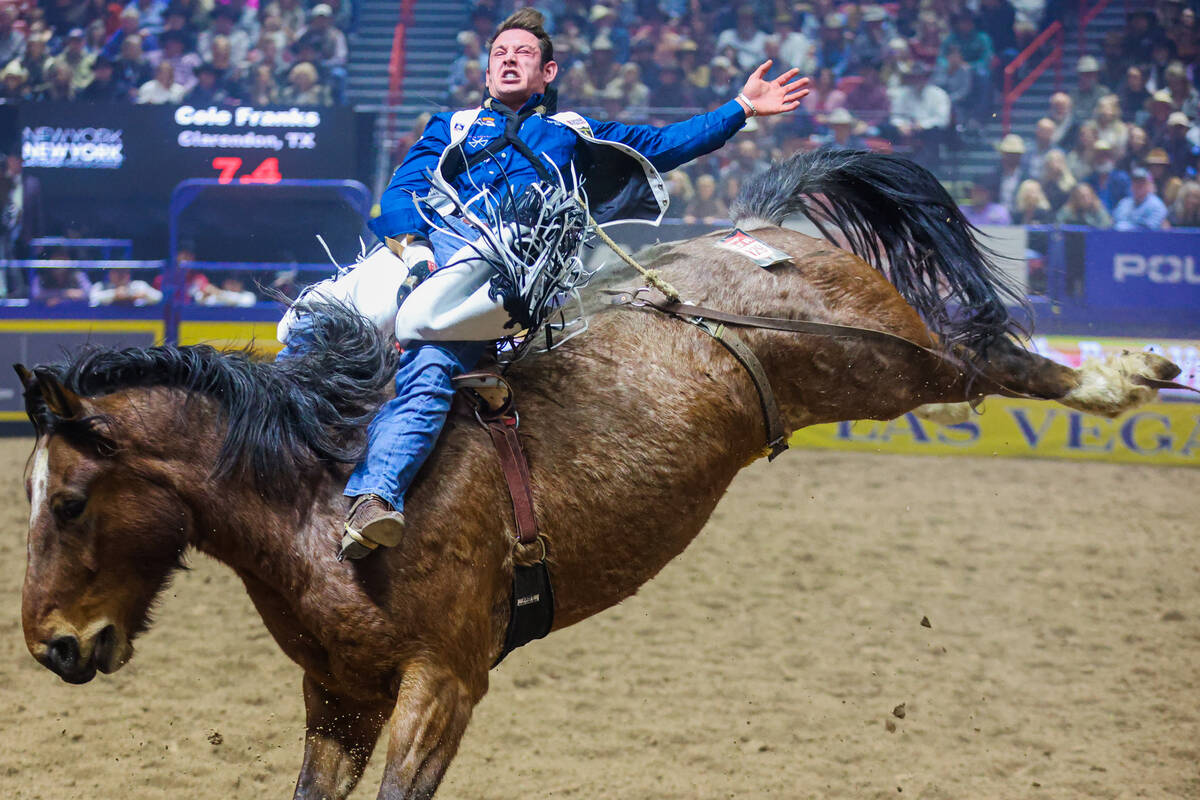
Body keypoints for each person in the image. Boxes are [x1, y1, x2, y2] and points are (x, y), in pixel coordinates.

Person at [281, 9, 810, 559]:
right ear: (487, 74)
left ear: (548, 72)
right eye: (500, 55)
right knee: (314, 317)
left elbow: (665, 143)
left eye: (523, 54)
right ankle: (276, 447)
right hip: (425, 248)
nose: (509, 60)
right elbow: (403, 190)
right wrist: (414, 248)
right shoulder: (450, 126)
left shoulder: (573, 133)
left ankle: (374, 496)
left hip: (504, 268)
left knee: (433, 358)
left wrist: (741, 107)